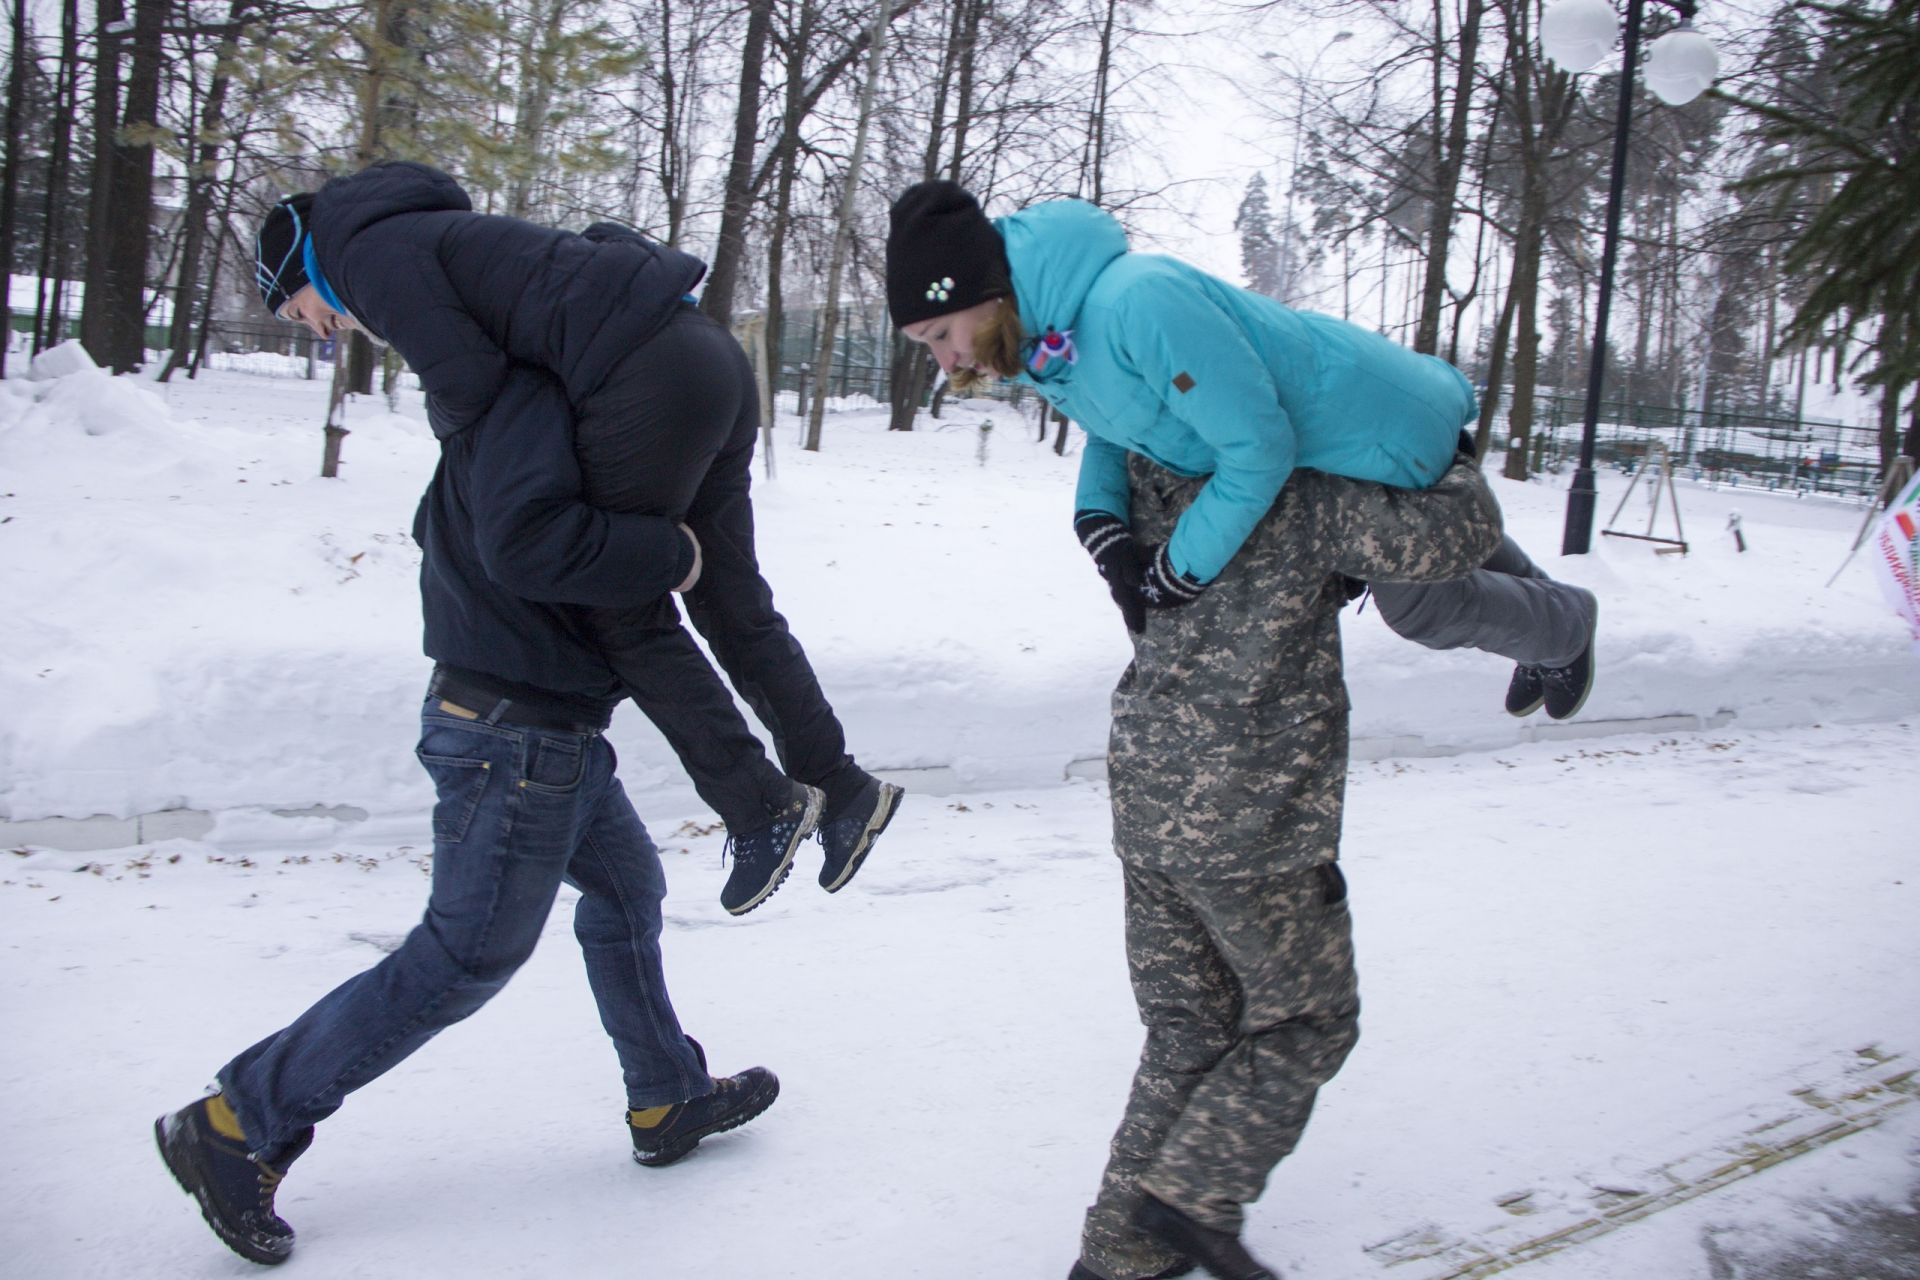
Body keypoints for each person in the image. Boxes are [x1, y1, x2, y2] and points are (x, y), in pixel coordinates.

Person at [257, 164, 901, 915]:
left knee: (615, 597)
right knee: (731, 597)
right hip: (708, 362)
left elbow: (470, 380)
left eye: (296, 310)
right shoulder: (417, 234)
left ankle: (761, 805)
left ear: (300, 266)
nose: (314, 323)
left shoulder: (358, 255)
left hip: (642, 376)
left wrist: (477, 461)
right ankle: (843, 786)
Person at [886, 181, 1599, 720]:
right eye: (929, 348)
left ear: (983, 291)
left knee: (1420, 606)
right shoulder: (1049, 338)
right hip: (1337, 446)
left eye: (942, 335)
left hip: (1380, 433)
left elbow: (1258, 448)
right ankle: (1546, 612)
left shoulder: (1137, 303)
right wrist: (1100, 524)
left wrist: (1181, 570)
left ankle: (1561, 631)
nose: (948, 361)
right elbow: (1112, 421)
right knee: (1438, 563)